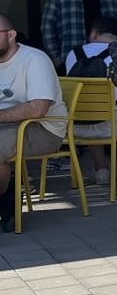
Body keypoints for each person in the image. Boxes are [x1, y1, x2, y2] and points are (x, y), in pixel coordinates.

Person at [0, 13, 69, 231]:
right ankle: (8, 197)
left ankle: (6, 198)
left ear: (11, 35)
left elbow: (38, 109)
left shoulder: (34, 60)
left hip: (44, 128)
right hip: (9, 125)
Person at [64, 17, 117, 185]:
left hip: (78, 127)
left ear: (94, 33)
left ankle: (101, 170)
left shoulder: (73, 54)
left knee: (92, 110)